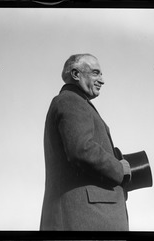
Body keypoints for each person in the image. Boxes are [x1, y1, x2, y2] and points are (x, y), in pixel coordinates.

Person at [40, 53, 132, 231]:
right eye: (96, 73)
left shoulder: (73, 102)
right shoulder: (71, 101)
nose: (102, 80)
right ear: (76, 74)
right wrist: (120, 168)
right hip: (86, 218)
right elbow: (82, 149)